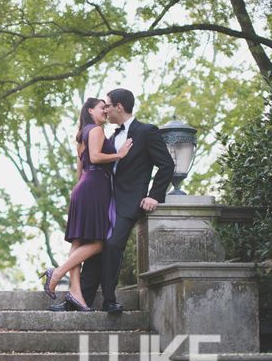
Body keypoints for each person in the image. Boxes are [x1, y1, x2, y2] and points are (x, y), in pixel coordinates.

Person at [49, 88, 175, 313]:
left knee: (112, 243)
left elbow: (166, 164)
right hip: (102, 198)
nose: (105, 109)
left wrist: (154, 196)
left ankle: (109, 299)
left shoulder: (146, 132)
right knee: (95, 246)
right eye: (102, 106)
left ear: (119, 106)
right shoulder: (108, 136)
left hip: (128, 202)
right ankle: (79, 300)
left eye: (107, 104)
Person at [42, 98, 132, 311]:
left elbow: (79, 169)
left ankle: (76, 293)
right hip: (95, 187)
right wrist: (119, 155)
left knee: (79, 242)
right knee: (100, 243)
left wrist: (78, 193)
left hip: (83, 186)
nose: (106, 111)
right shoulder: (97, 130)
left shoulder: (82, 134)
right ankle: (57, 273)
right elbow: (95, 156)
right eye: (102, 107)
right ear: (90, 110)